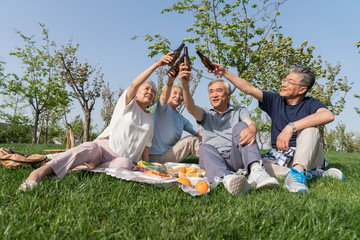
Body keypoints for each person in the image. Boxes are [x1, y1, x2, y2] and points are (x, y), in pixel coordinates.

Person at [18, 54, 173, 192]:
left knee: (126, 165)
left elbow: (145, 147)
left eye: (153, 91)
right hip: (104, 147)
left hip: (121, 159)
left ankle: (83, 166)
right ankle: (40, 173)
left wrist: (146, 169)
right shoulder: (127, 104)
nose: (150, 92)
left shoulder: (149, 120)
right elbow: (133, 85)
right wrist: (157, 65)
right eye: (146, 88)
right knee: (89, 147)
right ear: (137, 94)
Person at [208, 63, 344, 193]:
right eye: (285, 80)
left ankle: (298, 174)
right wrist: (224, 72)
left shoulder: (311, 103)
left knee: (311, 130)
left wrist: (290, 127)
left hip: (308, 156)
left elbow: (328, 115)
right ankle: (307, 175)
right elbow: (248, 88)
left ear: (302, 89)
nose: (283, 84)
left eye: (290, 82)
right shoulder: (275, 100)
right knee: (252, 166)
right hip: (279, 157)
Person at [178, 64, 279, 196]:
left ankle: (256, 172)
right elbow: (191, 108)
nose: (214, 95)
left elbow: (250, 124)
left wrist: (253, 128)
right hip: (214, 158)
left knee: (242, 127)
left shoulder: (239, 110)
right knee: (204, 148)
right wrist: (185, 86)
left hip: (235, 156)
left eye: (218, 91)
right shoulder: (206, 113)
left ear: (228, 94)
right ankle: (227, 178)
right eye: (211, 92)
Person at [149, 69, 201, 163]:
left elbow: (198, 133)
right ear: (169, 93)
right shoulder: (162, 109)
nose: (178, 96)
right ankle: (215, 164)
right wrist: (170, 81)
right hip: (156, 158)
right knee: (190, 141)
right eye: (175, 93)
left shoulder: (181, 119)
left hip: (170, 155)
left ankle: (219, 158)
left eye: (181, 95)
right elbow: (163, 97)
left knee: (199, 139)